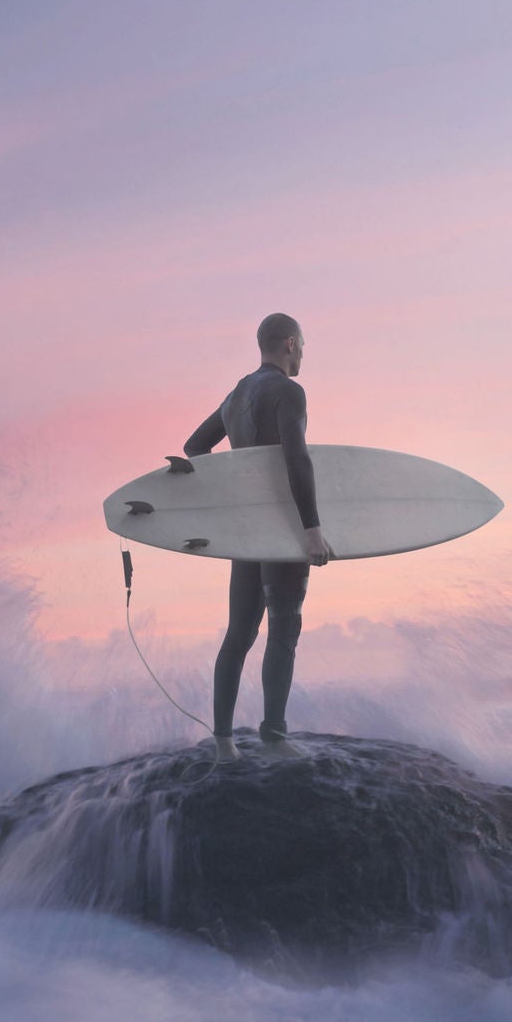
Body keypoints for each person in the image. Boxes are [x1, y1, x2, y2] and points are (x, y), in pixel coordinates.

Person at [183, 312, 335, 761]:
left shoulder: (236, 396)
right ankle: (274, 737)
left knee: (239, 633)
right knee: (284, 625)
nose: (304, 353)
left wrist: (233, 492)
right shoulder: (288, 391)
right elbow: (297, 459)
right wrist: (312, 531)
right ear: (289, 343)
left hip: (245, 530)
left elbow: (195, 447)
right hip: (281, 526)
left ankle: (224, 742)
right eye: (303, 345)